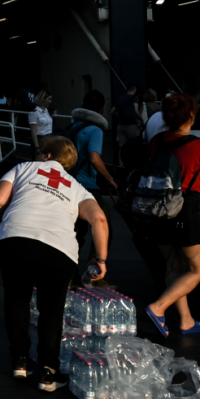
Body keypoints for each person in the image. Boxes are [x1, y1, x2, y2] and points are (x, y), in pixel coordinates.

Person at [0, 136, 108, 392]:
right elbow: (99, 219)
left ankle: (20, 362)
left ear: (46, 154)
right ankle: (48, 370)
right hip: (59, 248)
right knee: (51, 310)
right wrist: (100, 259)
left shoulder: (22, 168)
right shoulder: (77, 187)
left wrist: (2, 219)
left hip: (15, 240)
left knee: (17, 298)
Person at [142, 94, 200, 338]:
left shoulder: (157, 141)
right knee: (199, 269)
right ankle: (159, 307)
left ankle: (186, 321)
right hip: (186, 210)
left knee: (173, 266)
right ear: (192, 116)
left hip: (159, 210)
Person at [67, 91, 118, 271]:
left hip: (71, 183)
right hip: (88, 186)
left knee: (77, 231)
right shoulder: (95, 129)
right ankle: (94, 270)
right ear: (102, 109)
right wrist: (110, 179)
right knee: (104, 225)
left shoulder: (74, 126)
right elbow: (94, 159)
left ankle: (68, 272)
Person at [112, 84, 144, 157]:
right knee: (135, 145)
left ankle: (121, 166)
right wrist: (142, 120)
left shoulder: (120, 98)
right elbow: (136, 111)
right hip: (131, 125)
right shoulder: (135, 98)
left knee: (122, 147)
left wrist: (120, 115)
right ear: (134, 89)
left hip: (120, 126)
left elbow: (112, 111)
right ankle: (134, 165)